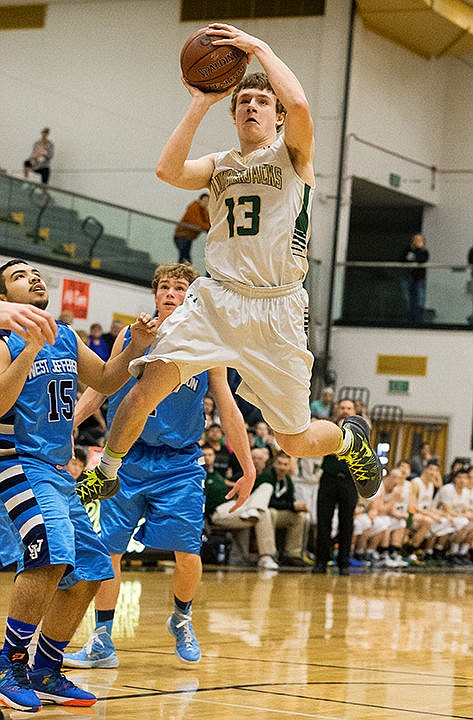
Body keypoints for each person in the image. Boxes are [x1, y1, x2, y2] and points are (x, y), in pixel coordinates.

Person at [80, 23, 381, 514]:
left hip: (277, 306)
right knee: (149, 381)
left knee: (295, 441)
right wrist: (200, 101)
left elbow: (302, 107)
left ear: (278, 117)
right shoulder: (219, 163)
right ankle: (106, 473)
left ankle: (349, 439)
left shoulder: (294, 156)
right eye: (243, 102)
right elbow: (168, 171)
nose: (251, 106)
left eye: (262, 102)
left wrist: (259, 49)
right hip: (217, 298)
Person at [65, 263, 254, 669]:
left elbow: (227, 405)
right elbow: (99, 389)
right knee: (109, 550)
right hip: (126, 459)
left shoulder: (207, 343)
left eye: (180, 287)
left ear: (191, 296)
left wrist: (247, 465)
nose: (170, 292)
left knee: (187, 554)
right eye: (164, 287)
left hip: (180, 463)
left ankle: (182, 618)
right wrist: (71, 427)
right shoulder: (131, 338)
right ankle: (101, 640)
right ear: (155, 294)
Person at [0, 258, 157, 712]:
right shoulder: (5, 339)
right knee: (50, 551)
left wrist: (133, 348)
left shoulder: (66, 335)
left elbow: (106, 379)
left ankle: (46, 668)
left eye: (34, 272)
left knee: (91, 567)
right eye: (17, 276)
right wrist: (29, 348)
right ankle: (8, 665)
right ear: (5, 299)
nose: (32, 278)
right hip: (16, 460)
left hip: (56, 469)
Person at [203, 444, 277, 569]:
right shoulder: (199, 476)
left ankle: (253, 508)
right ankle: (266, 556)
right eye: (204, 455)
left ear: (214, 457)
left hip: (234, 506)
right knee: (263, 513)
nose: (207, 458)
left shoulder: (217, 475)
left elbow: (231, 484)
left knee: (266, 487)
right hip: (218, 512)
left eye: (209, 455)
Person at [313, 399, 359, 576]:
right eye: (343, 408)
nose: (346, 410)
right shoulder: (328, 426)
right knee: (323, 520)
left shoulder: (360, 430)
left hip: (350, 480)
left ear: (354, 410)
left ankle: (343, 562)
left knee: (347, 522)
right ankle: (321, 561)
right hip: (329, 478)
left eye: (349, 408)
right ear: (337, 410)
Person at [400, 232, 429, 325]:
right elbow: (402, 259)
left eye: (420, 240)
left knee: (420, 300)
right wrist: (411, 250)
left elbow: (422, 259)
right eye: (416, 239)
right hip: (408, 277)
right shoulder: (408, 249)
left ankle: (418, 321)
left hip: (419, 278)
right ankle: (408, 320)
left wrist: (418, 250)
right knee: (407, 299)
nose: (417, 241)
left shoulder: (425, 251)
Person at [173, 191, 210, 263]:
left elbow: (208, 222)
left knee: (184, 258)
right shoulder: (194, 207)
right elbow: (198, 223)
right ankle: (180, 272)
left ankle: (182, 272)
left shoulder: (203, 211)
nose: (206, 203)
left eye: (208, 201)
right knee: (185, 259)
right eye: (204, 200)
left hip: (187, 237)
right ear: (199, 200)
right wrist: (209, 227)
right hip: (182, 236)